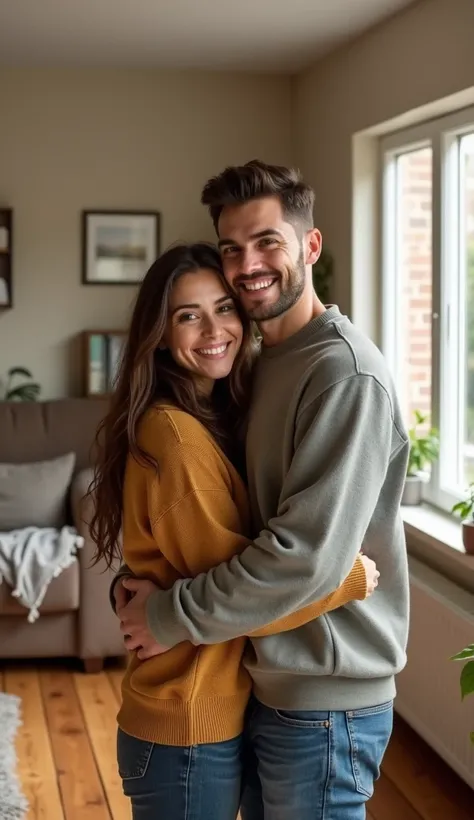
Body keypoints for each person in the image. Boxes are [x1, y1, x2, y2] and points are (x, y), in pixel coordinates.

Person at [114, 161, 410, 819]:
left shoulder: (344, 374)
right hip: (265, 679)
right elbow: (220, 528)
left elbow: (303, 560)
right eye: (231, 248)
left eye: (267, 241)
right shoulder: (260, 364)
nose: (248, 263)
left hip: (325, 697)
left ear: (309, 246)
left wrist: (164, 614)